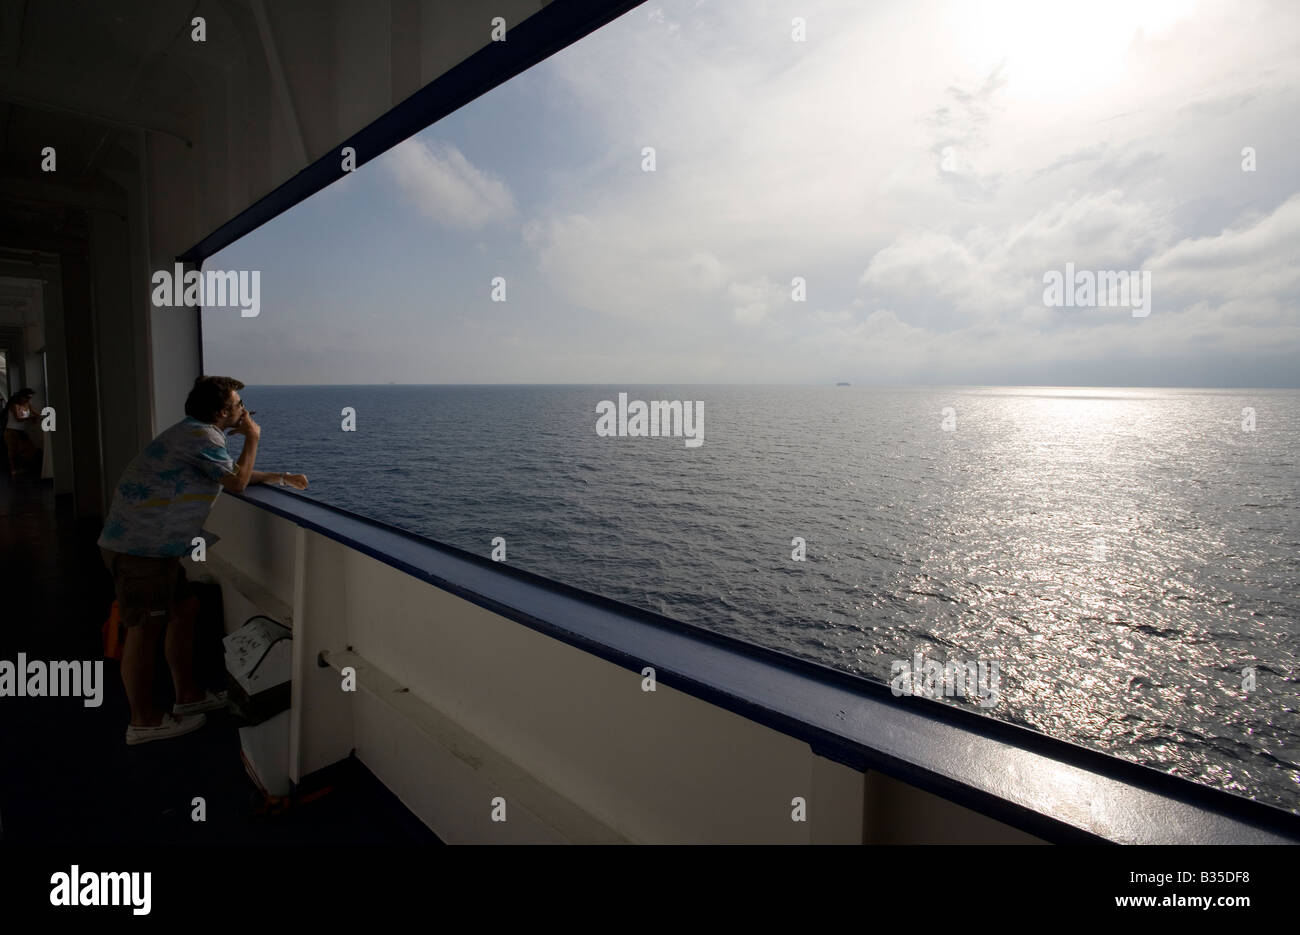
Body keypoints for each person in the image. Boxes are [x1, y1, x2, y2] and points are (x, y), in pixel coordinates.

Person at [98, 375, 308, 745]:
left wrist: (279, 477)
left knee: (186, 608)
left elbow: (227, 473)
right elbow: (237, 483)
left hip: (152, 547)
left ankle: (188, 696)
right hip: (140, 549)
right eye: (239, 405)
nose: (245, 410)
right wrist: (254, 437)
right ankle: (143, 721)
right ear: (220, 412)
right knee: (143, 631)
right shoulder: (203, 436)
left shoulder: (197, 435)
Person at [5, 387, 42, 478]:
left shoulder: (28, 404)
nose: (29, 399)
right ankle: (14, 470)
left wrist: (44, 417)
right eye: (27, 397)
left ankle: (23, 469)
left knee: (29, 449)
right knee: (13, 451)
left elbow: (36, 413)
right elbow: (18, 418)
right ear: (22, 396)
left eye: (30, 397)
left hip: (22, 431)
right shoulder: (14, 405)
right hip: (11, 431)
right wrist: (31, 418)